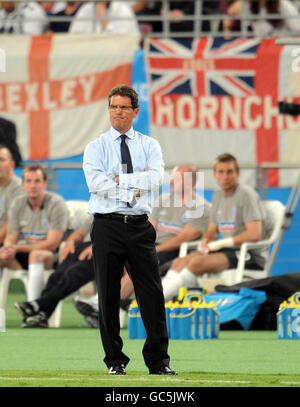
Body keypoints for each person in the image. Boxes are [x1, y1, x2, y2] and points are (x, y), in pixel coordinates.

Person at [83, 84, 177, 376]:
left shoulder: (150, 145)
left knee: (152, 294)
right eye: (113, 106)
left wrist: (119, 180)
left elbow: (156, 179)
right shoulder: (96, 146)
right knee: (108, 296)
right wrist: (133, 188)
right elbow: (95, 184)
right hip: (106, 226)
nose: (118, 112)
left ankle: (158, 362)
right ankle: (114, 361)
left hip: (139, 227)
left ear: (135, 111)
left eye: (124, 107)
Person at [75, 164, 211, 327]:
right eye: (173, 178)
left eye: (178, 179)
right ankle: (103, 310)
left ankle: (100, 304)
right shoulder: (162, 200)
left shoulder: (201, 206)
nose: (173, 182)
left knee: (138, 262)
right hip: (152, 247)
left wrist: (152, 249)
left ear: (191, 182)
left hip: (175, 252)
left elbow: (183, 238)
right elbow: (149, 227)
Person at [161, 153, 272, 302]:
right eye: (221, 172)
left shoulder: (247, 195)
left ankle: (157, 303)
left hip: (249, 254)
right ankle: (160, 299)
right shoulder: (218, 195)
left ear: (237, 173)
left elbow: (254, 234)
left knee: (196, 263)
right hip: (227, 250)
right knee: (179, 262)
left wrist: (221, 243)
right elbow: (212, 231)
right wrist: (206, 241)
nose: (225, 176)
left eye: (230, 171)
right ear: (215, 175)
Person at [0, 164, 70, 322]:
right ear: (23, 184)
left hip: (51, 257)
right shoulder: (17, 203)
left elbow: (52, 243)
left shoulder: (56, 203)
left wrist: (16, 246)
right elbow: (12, 235)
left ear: (45, 183)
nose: (33, 185)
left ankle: (32, 311)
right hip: (21, 254)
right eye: (29, 181)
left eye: (37, 181)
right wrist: (8, 247)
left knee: (36, 254)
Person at [14, 212, 94, 328]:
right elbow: (79, 234)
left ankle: (37, 306)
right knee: (56, 276)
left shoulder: (123, 213)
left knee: (73, 274)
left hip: (106, 251)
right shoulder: (97, 211)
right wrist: (70, 241)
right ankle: (41, 315)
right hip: (84, 248)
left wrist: (97, 246)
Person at [223, 0, 300, 37]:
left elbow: (298, 32)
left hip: (281, 49)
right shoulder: (249, 7)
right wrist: (227, 29)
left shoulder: (283, 4)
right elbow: (230, 12)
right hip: (262, 50)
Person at [0, 144, 24, 244]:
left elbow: (11, 224)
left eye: (1, 160)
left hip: (12, 243)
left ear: (12, 165)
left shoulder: (20, 188)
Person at [69, 1, 139, 34]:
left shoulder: (123, 9)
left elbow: (122, 42)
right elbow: (74, 36)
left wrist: (102, 17)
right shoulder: (85, 9)